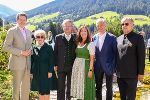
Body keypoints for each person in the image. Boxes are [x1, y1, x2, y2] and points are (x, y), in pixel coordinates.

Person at [3, 12, 32, 100]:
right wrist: (21, 52)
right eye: (20, 19)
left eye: (24, 20)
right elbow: (5, 47)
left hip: (27, 64)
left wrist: (31, 50)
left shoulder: (29, 32)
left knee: (26, 89)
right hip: (16, 64)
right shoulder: (12, 31)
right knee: (16, 88)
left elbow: (29, 46)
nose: (22, 21)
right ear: (17, 20)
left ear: (26, 21)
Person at [116, 17, 145, 100]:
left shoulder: (138, 38)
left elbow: (141, 56)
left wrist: (141, 73)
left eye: (126, 24)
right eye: (122, 24)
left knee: (130, 98)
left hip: (132, 75)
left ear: (132, 25)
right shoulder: (118, 39)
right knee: (122, 97)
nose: (124, 26)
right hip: (120, 75)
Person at [92, 18, 117, 100]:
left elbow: (116, 53)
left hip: (109, 67)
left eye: (102, 25)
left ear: (105, 25)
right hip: (97, 67)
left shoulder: (112, 38)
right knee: (98, 87)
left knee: (109, 88)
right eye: (98, 25)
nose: (100, 27)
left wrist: (114, 67)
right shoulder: (94, 38)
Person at [30, 30, 57, 100]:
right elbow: (32, 61)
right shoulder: (33, 48)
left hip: (46, 71)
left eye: (42, 37)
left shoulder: (48, 47)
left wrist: (50, 71)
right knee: (40, 90)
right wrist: (31, 72)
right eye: (38, 37)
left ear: (44, 38)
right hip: (37, 71)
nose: (40, 38)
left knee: (46, 90)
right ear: (35, 38)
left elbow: (52, 60)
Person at [70, 25, 96, 100]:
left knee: (86, 85)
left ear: (88, 33)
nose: (83, 32)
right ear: (79, 33)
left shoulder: (90, 44)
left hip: (86, 66)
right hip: (77, 68)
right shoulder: (78, 42)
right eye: (82, 31)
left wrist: (90, 70)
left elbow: (92, 58)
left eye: (85, 31)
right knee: (79, 86)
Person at [54, 19, 76, 100]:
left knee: (70, 87)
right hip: (60, 66)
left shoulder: (75, 37)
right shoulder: (58, 37)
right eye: (65, 26)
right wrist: (55, 65)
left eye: (69, 26)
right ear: (63, 27)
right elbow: (55, 52)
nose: (67, 27)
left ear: (71, 27)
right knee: (60, 87)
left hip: (72, 67)